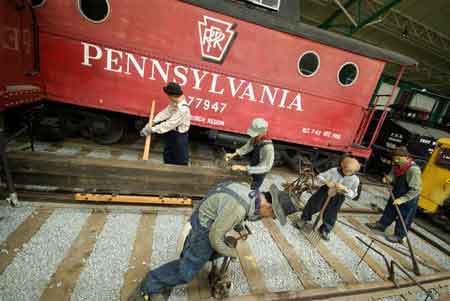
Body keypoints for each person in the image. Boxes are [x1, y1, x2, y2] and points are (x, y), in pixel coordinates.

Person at [128, 181, 298, 301]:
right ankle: (148, 285)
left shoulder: (250, 192)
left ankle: (186, 256)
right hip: (205, 228)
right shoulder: (238, 209)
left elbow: (228, 206)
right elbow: (214, 237)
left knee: (203, 253)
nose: (271, 218)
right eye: (273, 215)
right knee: (186, 272)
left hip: (203, 216)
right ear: (269, 206)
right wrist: (232, 253)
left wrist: (239, 227)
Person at [293, 156, 361, 241]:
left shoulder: (355, 180)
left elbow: (354, 194)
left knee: (331, 213)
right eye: (346, 170)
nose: (347, 172)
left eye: (350, 172)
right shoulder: (334, 171)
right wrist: (326, 182)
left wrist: (345, 189)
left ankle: (325, 229)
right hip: (325, 191)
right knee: (314, 204)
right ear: (342, 166)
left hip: (338, 196)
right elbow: (320, 176)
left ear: (354, 171)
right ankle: (304, 218)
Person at [366, 146, 422, 244]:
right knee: (389, 210)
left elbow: (416, 189)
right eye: (395, 159)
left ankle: (399, 235)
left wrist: (403, 199)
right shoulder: (397, 165)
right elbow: (392, 175)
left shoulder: (413, 170)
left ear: (405, 157)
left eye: (398, 159)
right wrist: (388, 178)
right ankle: (381, 225)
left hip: (409, 197)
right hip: (397, 192)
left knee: (403, 216)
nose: (396, 161)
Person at [140, 82, 191, 165]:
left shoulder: (183, 109)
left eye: (168, 95)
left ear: (172, 95)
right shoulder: (175, 102)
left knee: (180, 162)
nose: (168, 97)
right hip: (172, 133)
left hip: (179, 137)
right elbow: (166, 112)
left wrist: (152, 130)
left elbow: (169, 124)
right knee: (168, 157)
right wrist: (153, 122)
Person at [224, 118, 274, 190]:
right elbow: (247, 146)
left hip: (260, 171)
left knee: (253, 189)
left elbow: (266, 167)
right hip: (253, 165)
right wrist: (234, 154)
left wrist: (243, 168)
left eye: (256, 134)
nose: (253, 136)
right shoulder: (257, 138)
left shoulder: (268, 148)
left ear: (263, 132)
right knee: (248, 181)